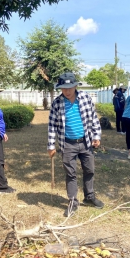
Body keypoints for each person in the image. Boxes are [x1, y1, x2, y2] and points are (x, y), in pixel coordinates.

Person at [48, 72, 104, 217]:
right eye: (64, 88)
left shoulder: (85, 98)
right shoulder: (57, 103)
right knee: (70, 174)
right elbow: (52, 125)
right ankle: (73, 201)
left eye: (70, 87)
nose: (67, 91)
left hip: (85, 142)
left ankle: (89, 197)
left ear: (75, 86)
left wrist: (96, 136)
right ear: (60, 88)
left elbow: (93, 118)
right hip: (67, 144)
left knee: (89, 170)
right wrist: (51, 145)